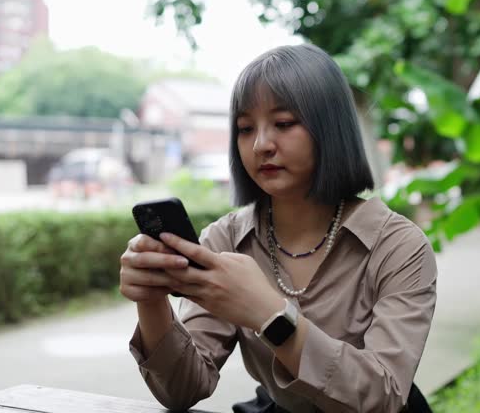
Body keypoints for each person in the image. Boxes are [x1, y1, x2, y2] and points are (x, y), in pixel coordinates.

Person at [120, 43, 437, 412]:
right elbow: (182, 390)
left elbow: (382, 397)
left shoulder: (398, 246)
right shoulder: (224, 241)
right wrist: (151, 299)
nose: (260, 145)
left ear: (330, 130)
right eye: (244, 128)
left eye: (284, 124)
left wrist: (271, 316)